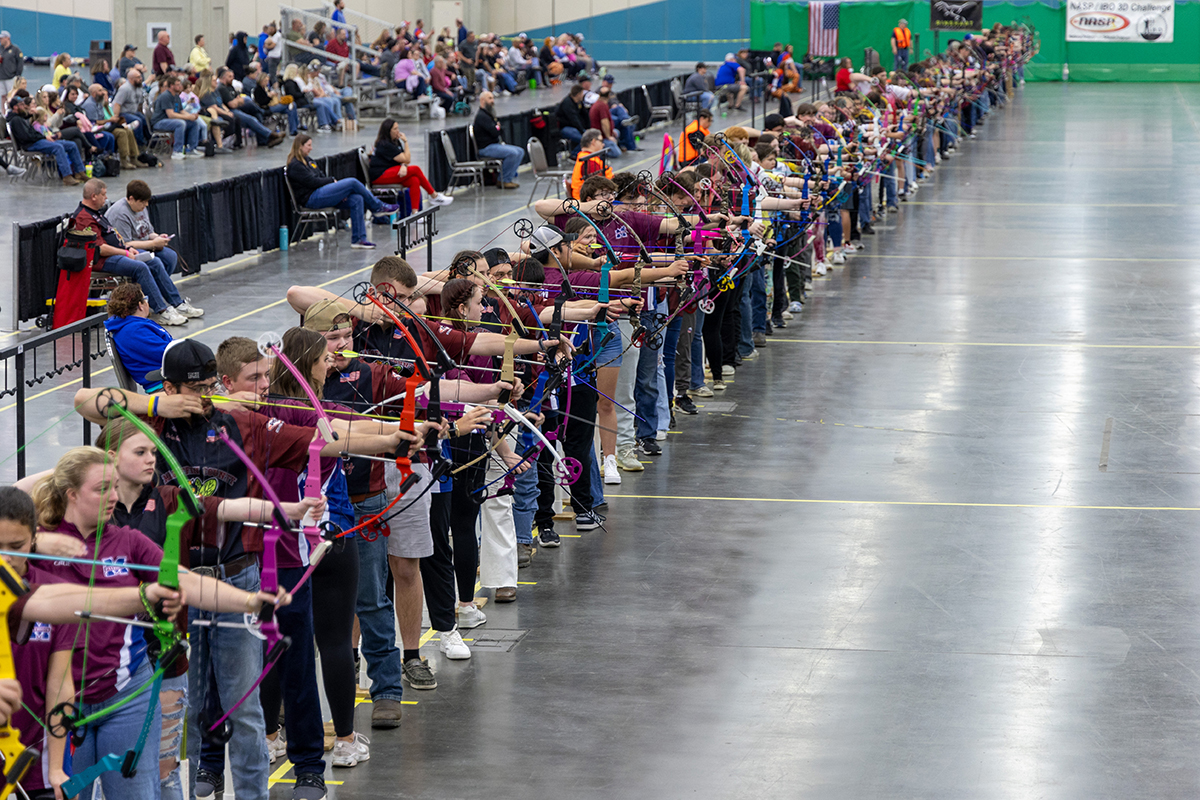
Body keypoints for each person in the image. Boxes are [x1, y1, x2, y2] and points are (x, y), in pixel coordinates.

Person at [28, 444, 291, 800]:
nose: (112, 497)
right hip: (59, 699)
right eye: (101, 488)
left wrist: (249, 601)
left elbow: (183, 580)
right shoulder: (39, 544)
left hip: (124, 696)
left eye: (114, 487)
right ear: (71, 493)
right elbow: (16, 498)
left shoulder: (127, 541)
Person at [73, 179, 198, 325]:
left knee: (156, 261)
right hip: (101, 260)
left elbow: (115, 238)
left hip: (117, 252)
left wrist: (127, 249)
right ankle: (162, 311)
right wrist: (125, 253)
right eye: (103, 194)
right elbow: (100, 248)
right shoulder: (84, 218)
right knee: (141, 266)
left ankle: (177, 303)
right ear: (94, 196)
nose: (106, 198)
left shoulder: (96, 214)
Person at [286, 134, 400, 249]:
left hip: (321, 194)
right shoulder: (295, 165)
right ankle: (377, 206)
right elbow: (312, 182)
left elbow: (320, 176)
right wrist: (331, 181)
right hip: (311, 198)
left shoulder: (308, 160)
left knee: (357, 199)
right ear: (300, 146)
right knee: (352, 182)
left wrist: (338, 193)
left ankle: (359, 239)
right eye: (308, 145)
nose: (311, 148)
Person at [368, 118, 453, 209]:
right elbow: (407, 159)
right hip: (379, 175)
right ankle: (434, 195)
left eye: (398, 128)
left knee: (414, 180)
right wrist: (406, 142)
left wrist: (404, 165)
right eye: (395, 129)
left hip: (390, 171)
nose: (398, 131)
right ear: (388, 131)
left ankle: (415, 215)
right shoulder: (384, 145)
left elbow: (404, 160)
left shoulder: (395, 142)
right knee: (415, 169)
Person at [103, 282, 173, 390]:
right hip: (166, 384)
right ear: (140, 305)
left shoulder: (133, 326)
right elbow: (166, 354)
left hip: (169, 377)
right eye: (146, 299)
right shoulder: (132, 331)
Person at [5, 93, 85, 184]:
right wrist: (43, 137)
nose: (24, 107)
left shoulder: (21, 117)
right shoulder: (16, 120)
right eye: (21, 105)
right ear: (15, 107)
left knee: (72, 145)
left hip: (37, 140)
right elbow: (26, 137)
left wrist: (31, 116)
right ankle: (67, 176)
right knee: (58, 147)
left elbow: (30, 131)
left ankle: (80, 172)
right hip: (31, 144)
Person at [473, 90, 522, 189]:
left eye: (493, 98)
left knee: (520, 151)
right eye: (490, 98)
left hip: (494, 145)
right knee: (513, 153)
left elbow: (496, 129)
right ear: (482, 100)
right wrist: (498, 127)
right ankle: (504, 180)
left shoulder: (488, 114)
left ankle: (508, 177)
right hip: (486, 148)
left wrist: (497, 127)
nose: (492, 101)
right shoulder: (482, 116)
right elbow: (495, 132)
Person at [152, 74, 207, 158]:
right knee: (180, 123)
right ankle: (177, 151)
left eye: (180, 84)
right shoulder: (166, 96)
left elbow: (181, 111)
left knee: (194, 122)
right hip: (160, 121)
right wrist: (188, 117)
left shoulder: (176, 96)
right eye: (178, 85)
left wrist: (191, 116)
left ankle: (191, 149)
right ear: (171, 86)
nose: (180, 86)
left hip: (170, 121)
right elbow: (171, 115)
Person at [570, 128, 613, 199]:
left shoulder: (588, 158)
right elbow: (597, 188)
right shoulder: (590, 162)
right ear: (593, 141)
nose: (603, 144)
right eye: (601, 141)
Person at [112, 66, 150, 146]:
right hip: (123, 113)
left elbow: (139, 104)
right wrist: (116, 117)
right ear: (131, 79)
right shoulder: (125, 89)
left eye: (140, 76)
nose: (141, 79)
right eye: (138, 77)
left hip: (134, 111)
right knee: (137, 121)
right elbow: (117, 103)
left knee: (144, 119)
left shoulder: (138, 87)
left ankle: (149, 141)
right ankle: (138, 144)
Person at [588, 85, 623, 159]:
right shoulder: (602, 106)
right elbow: (604, 123)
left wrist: (611, 130)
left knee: (617, 132)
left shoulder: (599, 104)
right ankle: (602, 152)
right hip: (601, 137)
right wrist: (608, 136)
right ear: (609, 96)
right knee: (617, 153)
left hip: (601, 134)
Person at [555, 84, 588, 150]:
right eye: (582, 93)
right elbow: (574, 119)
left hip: (574, 126)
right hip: (565, 127)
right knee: (583, 139)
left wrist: (588, 128)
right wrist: (582, 131)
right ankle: (574, 154)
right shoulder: (567, 104)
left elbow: (585, 115)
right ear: (578, 94)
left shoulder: (579, 102)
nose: (583, 95)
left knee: (589, 137)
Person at [0, 30, 22, 112]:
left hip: (11, 77)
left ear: (7, 38)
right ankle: (3, 113)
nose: (0, 40)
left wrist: (18, 75)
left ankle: (12, 111)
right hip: (1, 76)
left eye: (2, 38)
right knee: (3, 96)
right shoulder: (0, 49)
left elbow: (20, 62)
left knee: (11, 96)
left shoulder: (15, 49)